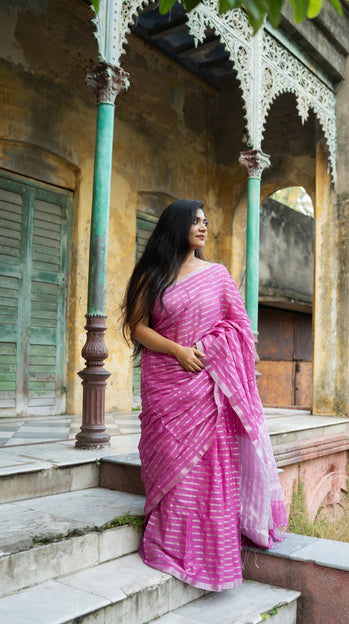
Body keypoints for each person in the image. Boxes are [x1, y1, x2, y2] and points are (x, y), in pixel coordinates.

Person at [121, 199, 287, 592]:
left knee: (207, 472)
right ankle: (169, 544)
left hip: (207, 387)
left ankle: (210, 553)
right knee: (171, 467)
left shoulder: (216, 275)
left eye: (205, 221)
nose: (203, 226)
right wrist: (178, 350)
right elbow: (138, 327)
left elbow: (240, 326)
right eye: (195, 221)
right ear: (175, 226)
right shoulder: (153, 274)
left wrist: (211, 348)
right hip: (166, 383)